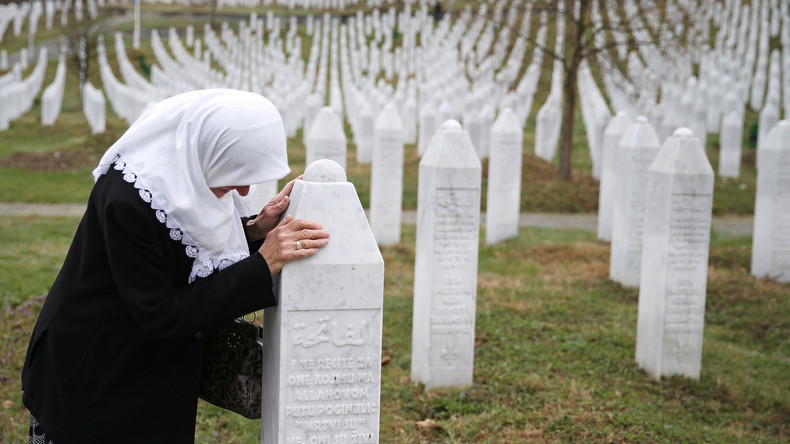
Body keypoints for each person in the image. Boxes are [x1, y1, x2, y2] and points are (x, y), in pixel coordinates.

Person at [21, 89, 330, 443]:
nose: (244, 191)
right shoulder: (129, 200)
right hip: (94, 374)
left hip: (143, 372)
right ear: (210, 149)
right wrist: (263, 263)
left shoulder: (189, 176)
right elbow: (162, 312)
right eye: (237, 174)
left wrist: (256, 231)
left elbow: (189, 255)